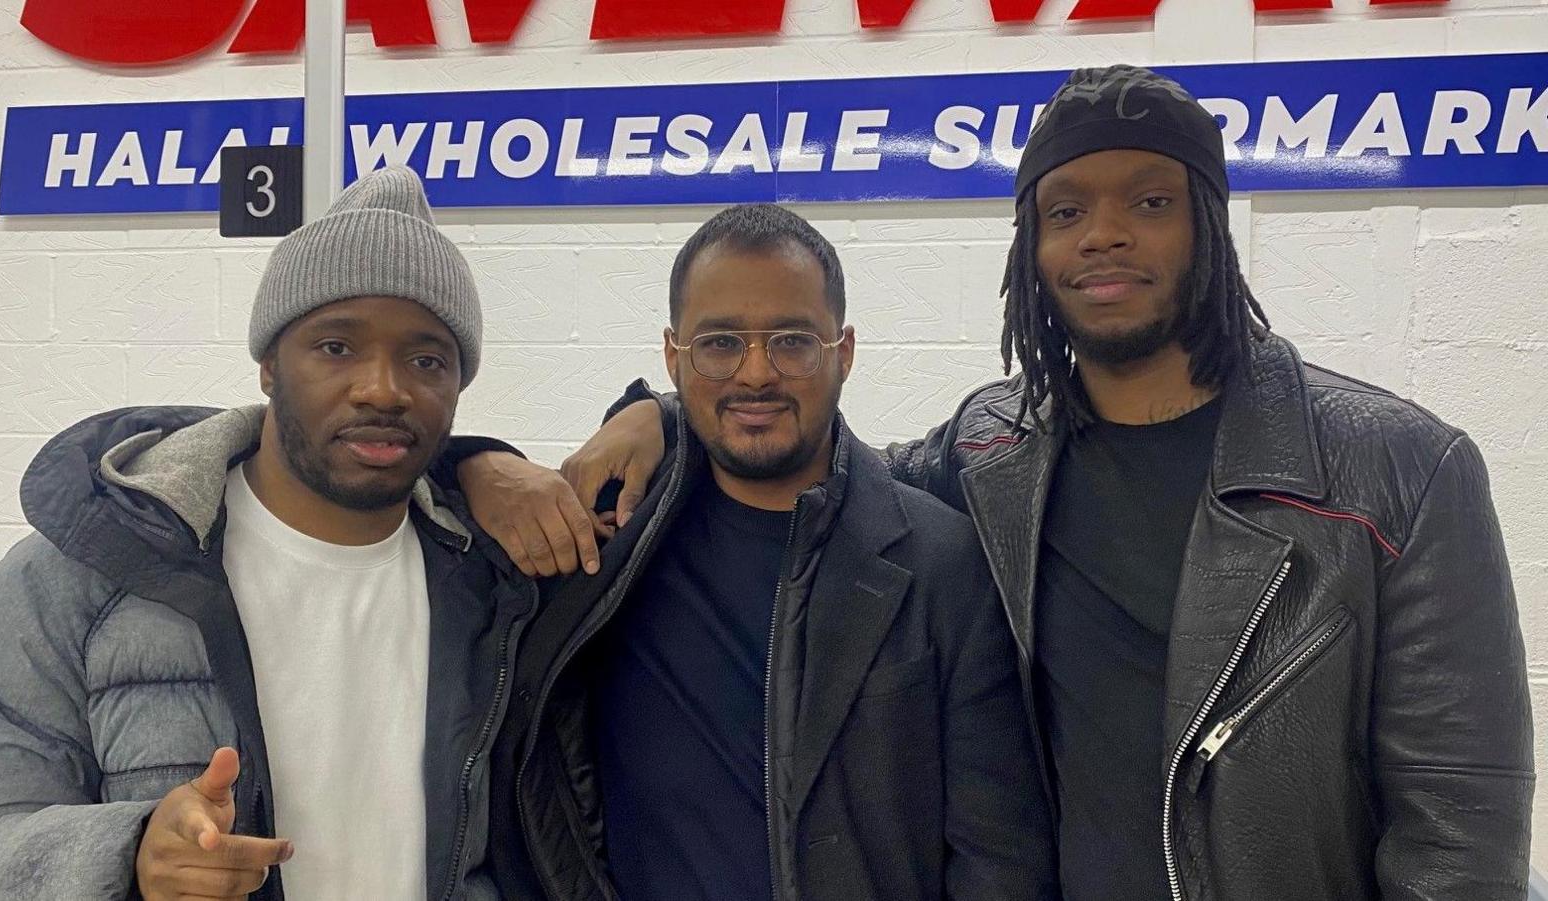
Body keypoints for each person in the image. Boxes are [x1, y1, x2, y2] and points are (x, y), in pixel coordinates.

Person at [459, 67, 1534, 900]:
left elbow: (1461, 828)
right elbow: (815, 470)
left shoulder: (1395, 470)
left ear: (1207, 224)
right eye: (1065, 211)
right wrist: (651, 415)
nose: (1102, 234)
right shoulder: (990, 452)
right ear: (1030, 246)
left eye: (1148, 200)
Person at [0, 166, 535, 901]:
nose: (383, 388)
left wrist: (647, 418)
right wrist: (125, 857)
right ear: (267, 366)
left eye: (426, 359)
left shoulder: (496, 588)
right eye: (336, 346)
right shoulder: (90, 572)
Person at [474, 204, 1056, 901]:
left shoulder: (945, 564)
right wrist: (472, 460)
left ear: (841, 352)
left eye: (791, 341)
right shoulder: (609, 543)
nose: (755, 373)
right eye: (720, 343)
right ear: (673, 355)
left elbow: (1000, 861)